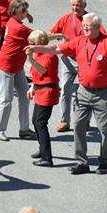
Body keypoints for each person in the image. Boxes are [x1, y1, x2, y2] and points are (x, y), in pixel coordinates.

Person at [29, 13, 107, 175]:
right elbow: (56, 48)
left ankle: (104, 163)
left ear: (98, 28)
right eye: (83, 26)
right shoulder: (80, 41)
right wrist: (37, 48)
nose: (84, 29)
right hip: (83, 91)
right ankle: (81, 162)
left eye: (88, 27)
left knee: (104, 129)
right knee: (78, 126)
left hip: (103, 93)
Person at [0, 0, 36, 142]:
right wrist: (59, 35)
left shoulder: (12, 20)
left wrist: (28, 15)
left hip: (16, 66)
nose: (25, 14)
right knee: (6, 99)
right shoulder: (19, 28)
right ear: (17, 11)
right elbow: (38, 37)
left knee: (25, 96)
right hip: (6, 66)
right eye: (24, 11)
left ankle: (24, 129)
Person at [49, 0, 90, 132]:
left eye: (78, 5)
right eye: (72, 5)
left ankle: (85, 121)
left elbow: (103, 38)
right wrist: (59, 35)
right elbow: (50, 34)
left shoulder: (91, 20)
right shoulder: (66, 18)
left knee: (86, 92)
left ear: (84, 5)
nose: (74, 8)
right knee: (65, 90)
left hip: (84, 61)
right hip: (67, 60)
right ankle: (64, 121)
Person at [27, 31, 60, 168]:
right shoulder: (40, 53)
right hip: (41, 90)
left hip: (47, 91)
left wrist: (31, 60)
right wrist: (32, 87)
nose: (29, 46)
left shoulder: (48, 56)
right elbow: (36, 76)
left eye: (31, 43)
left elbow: (42, 71)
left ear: (38, 44)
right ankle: (42, 150)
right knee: (36, 120)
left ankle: (47, 158)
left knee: (40, 123)